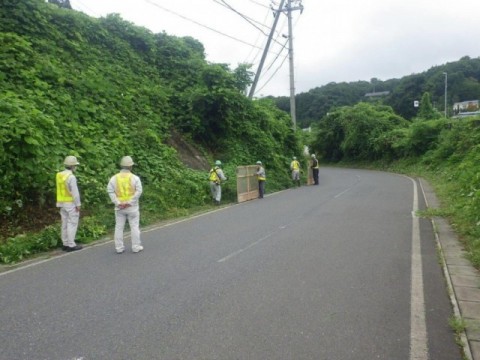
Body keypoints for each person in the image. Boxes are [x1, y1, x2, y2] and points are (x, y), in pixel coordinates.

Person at [107, 156, 143, 254]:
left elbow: (110, 191)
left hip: (119, 208)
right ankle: (136, 247)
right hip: (132, 207)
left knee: (119, 227)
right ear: (131, 166)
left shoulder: (114, 178)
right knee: (134, 226)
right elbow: (139, 191)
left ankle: (119, 248)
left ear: (121, 166)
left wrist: (118, 203)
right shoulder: (135, 178)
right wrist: (130, 202)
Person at [56, 155, 83, 252]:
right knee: (72, 223)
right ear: (72, 166)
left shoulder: (59, 175)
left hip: (61, 203)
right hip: (71, 203)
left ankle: (65, 244)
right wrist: (78, 204)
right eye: (75, 165)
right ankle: (71, 245)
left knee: (64, 223)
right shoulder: (71, 177)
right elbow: (75, 193)